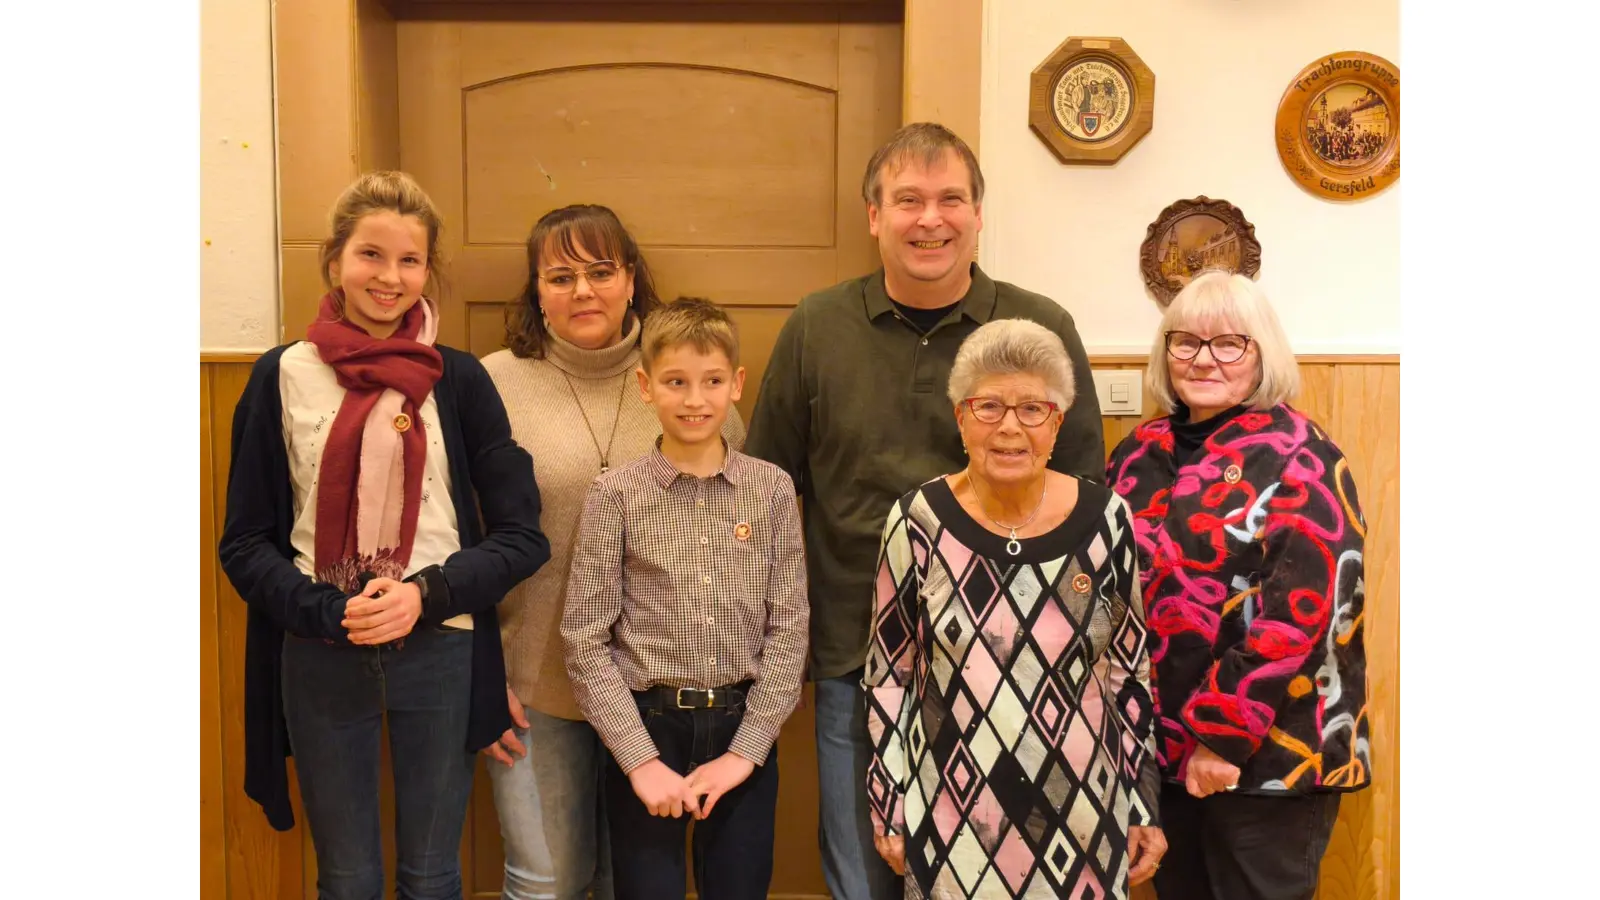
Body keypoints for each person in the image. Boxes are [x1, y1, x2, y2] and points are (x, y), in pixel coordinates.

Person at [743, 121, 1105, 900]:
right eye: (907, 200)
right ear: (874, 215)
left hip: (1018, 659)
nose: (930, 219)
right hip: (854, 651)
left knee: (1002, 872)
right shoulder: (817, 326)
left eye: (950, 199)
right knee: (865, 865)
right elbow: (768, 491)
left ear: (979, 214)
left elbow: (1085, 494)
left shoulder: (1041, 327)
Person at [218, 171, 550, 899]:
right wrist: (328, 611)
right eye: (371, 255)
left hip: (441, 650)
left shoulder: (458, 381)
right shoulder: (282, 376)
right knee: (345, 877)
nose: (390, 277)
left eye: (410, 260)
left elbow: (523, 536)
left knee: (433, 874)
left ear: (429, 272)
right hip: (319, 650)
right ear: (334, 260)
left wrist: (422, 596)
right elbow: (243, 543)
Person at [481, 205, 746, 900]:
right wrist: (480, 674)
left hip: (658, 694)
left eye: (601, 271)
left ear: (632, 280)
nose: (583, 291)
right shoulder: (493, 385)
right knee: (549, 882)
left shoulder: (688, 383)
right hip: (532, 687)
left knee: (634, 886)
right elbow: (462, 540)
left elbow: (734, 549)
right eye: (560, 276)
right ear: (535, 290)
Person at [863, 318, 1164, 898]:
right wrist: (890, 799)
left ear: (1057, 422)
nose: (1009, 428)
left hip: (1083, 807)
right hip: (952, 814)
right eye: (988, 407)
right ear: (960, 417)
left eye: (1032, 409)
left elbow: (1130, 671)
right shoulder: (916, 521)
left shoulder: (1106, 520)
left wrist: (1142, 800)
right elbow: (889, 674)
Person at [1103, 272, 1371, 900]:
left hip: (1270, 756)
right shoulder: (1135, 454)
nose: (1203, 359)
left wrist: (1220, 736)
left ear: (1263, 354)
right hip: (1160, 750)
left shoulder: (1301, 453)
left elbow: (1302, 615)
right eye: (1186, 342)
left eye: (1230, 343)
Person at [561, 298, 809, 900]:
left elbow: (790, 629)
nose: (695, 400)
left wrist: (746, 753)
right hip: (647, 727)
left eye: (712, 381)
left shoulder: (771, 490)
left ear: (736, 385)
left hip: (743, 727)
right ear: (646, 387)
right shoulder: (614, 494)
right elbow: (584, 637)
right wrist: (639, 761)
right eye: (676, 382)